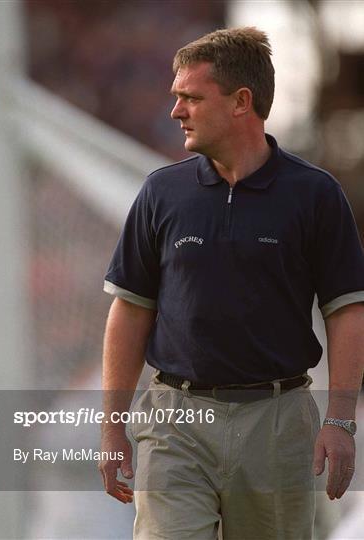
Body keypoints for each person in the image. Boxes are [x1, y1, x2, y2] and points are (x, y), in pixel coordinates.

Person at [98, 27, 364, 540]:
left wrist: (341, 420)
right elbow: (130, 311)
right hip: (173, 423)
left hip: (278, 424)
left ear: (242, 102)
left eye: (192, 98)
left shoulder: (315, 195)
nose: (177, 111)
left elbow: (348, 310)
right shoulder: (161, 192)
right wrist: (112, 426)